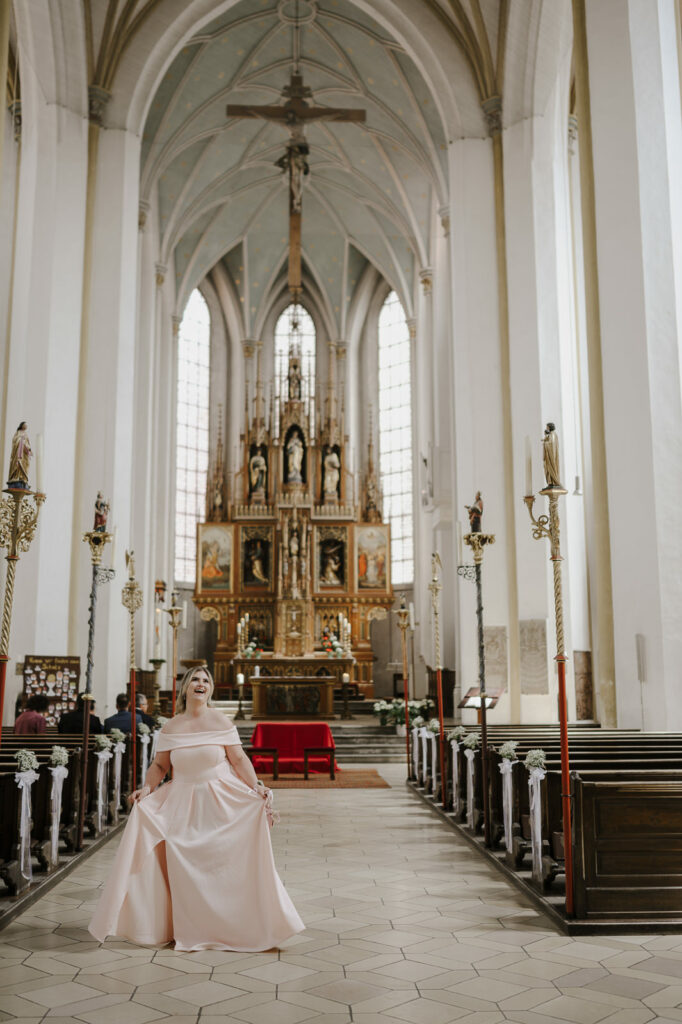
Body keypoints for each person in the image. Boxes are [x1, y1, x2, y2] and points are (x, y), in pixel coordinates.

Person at [89, 666, 304, 951]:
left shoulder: (221, 722)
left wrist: (257, 788)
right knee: (183, 864)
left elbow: (239, 760)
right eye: (195, 680)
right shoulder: (171, 726)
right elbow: (160, 765)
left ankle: (235, 925)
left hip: (220, 800)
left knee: (221, 865)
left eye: (205, 680)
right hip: (182, 802)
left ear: (210, 689)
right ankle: (189, 929)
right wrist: (147, 788)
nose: (200, 684)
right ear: (186, 688)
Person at [7, 422, 31, 488]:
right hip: (18, 452)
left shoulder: (26, 434)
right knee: (17, 464)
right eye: (25, 425)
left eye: (26, 425)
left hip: (24, 454)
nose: (26, 426)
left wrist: (29, 448)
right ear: (22, 425)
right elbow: (14, 440)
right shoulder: (18, 432)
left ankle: (22, 477)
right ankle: (16, 476)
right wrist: (20, 440)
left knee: (25, 464)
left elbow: (28, 443)